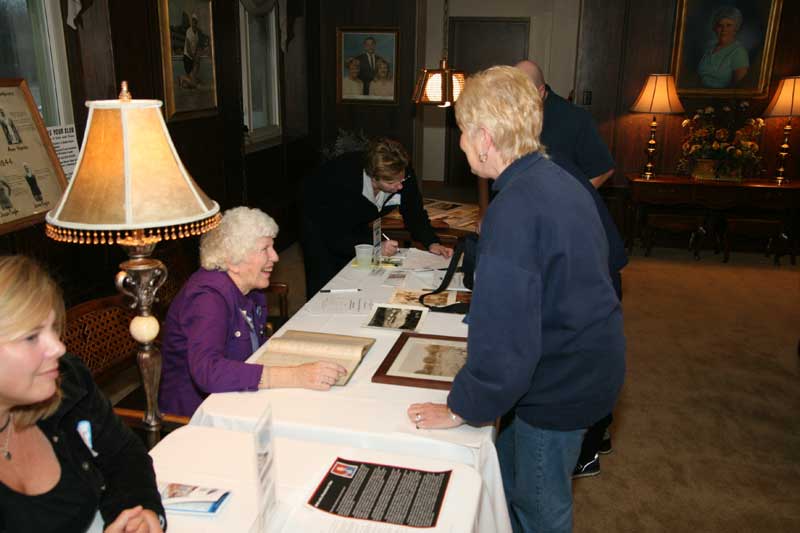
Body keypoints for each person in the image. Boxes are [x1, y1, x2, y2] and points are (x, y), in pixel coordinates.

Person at [407, 66, 625, 533]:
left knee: (540, 510)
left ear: (485, 137)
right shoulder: (559, 176)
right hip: (588, 362)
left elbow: (507, 340)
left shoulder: (514, 210)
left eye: (464, 132)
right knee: (498, 480)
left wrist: (461, 407)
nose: (461, 143)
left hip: (559, 387)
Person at [516, 59, 628, 478]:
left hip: (584, 241)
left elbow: (603, 168)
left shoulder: (573, 119)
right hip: (553, 237)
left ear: (544, 93)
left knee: (586, 342)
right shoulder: (519, 118)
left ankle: (592, 441)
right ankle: (593, 430)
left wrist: (569, 196)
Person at [0, 255, 165, 533]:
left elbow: (124, 455)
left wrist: (141, 513)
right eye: (31, 337)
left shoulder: (67, 383)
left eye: (53, 328)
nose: (58, 348)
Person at [159, 207, 346, 417]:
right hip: (200, 416)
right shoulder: (207, 299)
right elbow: (208, 372)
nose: (275, 257)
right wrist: (295, 375)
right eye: (265, 249)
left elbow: (254, 344)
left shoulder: (249, 286)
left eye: (273, 247)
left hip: (239, 395)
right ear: (232, 260)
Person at [301, 138, 453, 297]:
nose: (400, 186)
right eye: (392, 183)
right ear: (373, 177)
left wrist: (431, 242)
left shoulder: (401, 172)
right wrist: (374, 246)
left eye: (402, 179)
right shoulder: (343, 181)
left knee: (362, 270)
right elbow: (336, 233)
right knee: (326, 277)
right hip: (318, 215)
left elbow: (414, 212)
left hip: (353, 216)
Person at [698, 6, 749, 89]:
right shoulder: (709, 48)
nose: (724, 29)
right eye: (720, 25)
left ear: (736, 28)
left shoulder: (739, 52)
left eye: (729, 25)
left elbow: (739, 87)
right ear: (715, 28)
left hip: (721, 100)